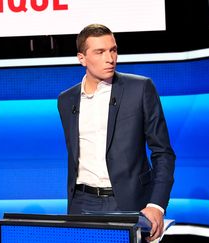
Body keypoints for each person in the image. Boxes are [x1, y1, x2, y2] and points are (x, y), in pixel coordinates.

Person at [57, 24, 175, 242]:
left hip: (128, 203)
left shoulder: (140, 89)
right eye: (100, 52)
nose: (110, 58)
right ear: (81, 58)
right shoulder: (66, 100)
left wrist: (156, 205)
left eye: (113, 50)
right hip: (81, 203)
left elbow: (163, 153)